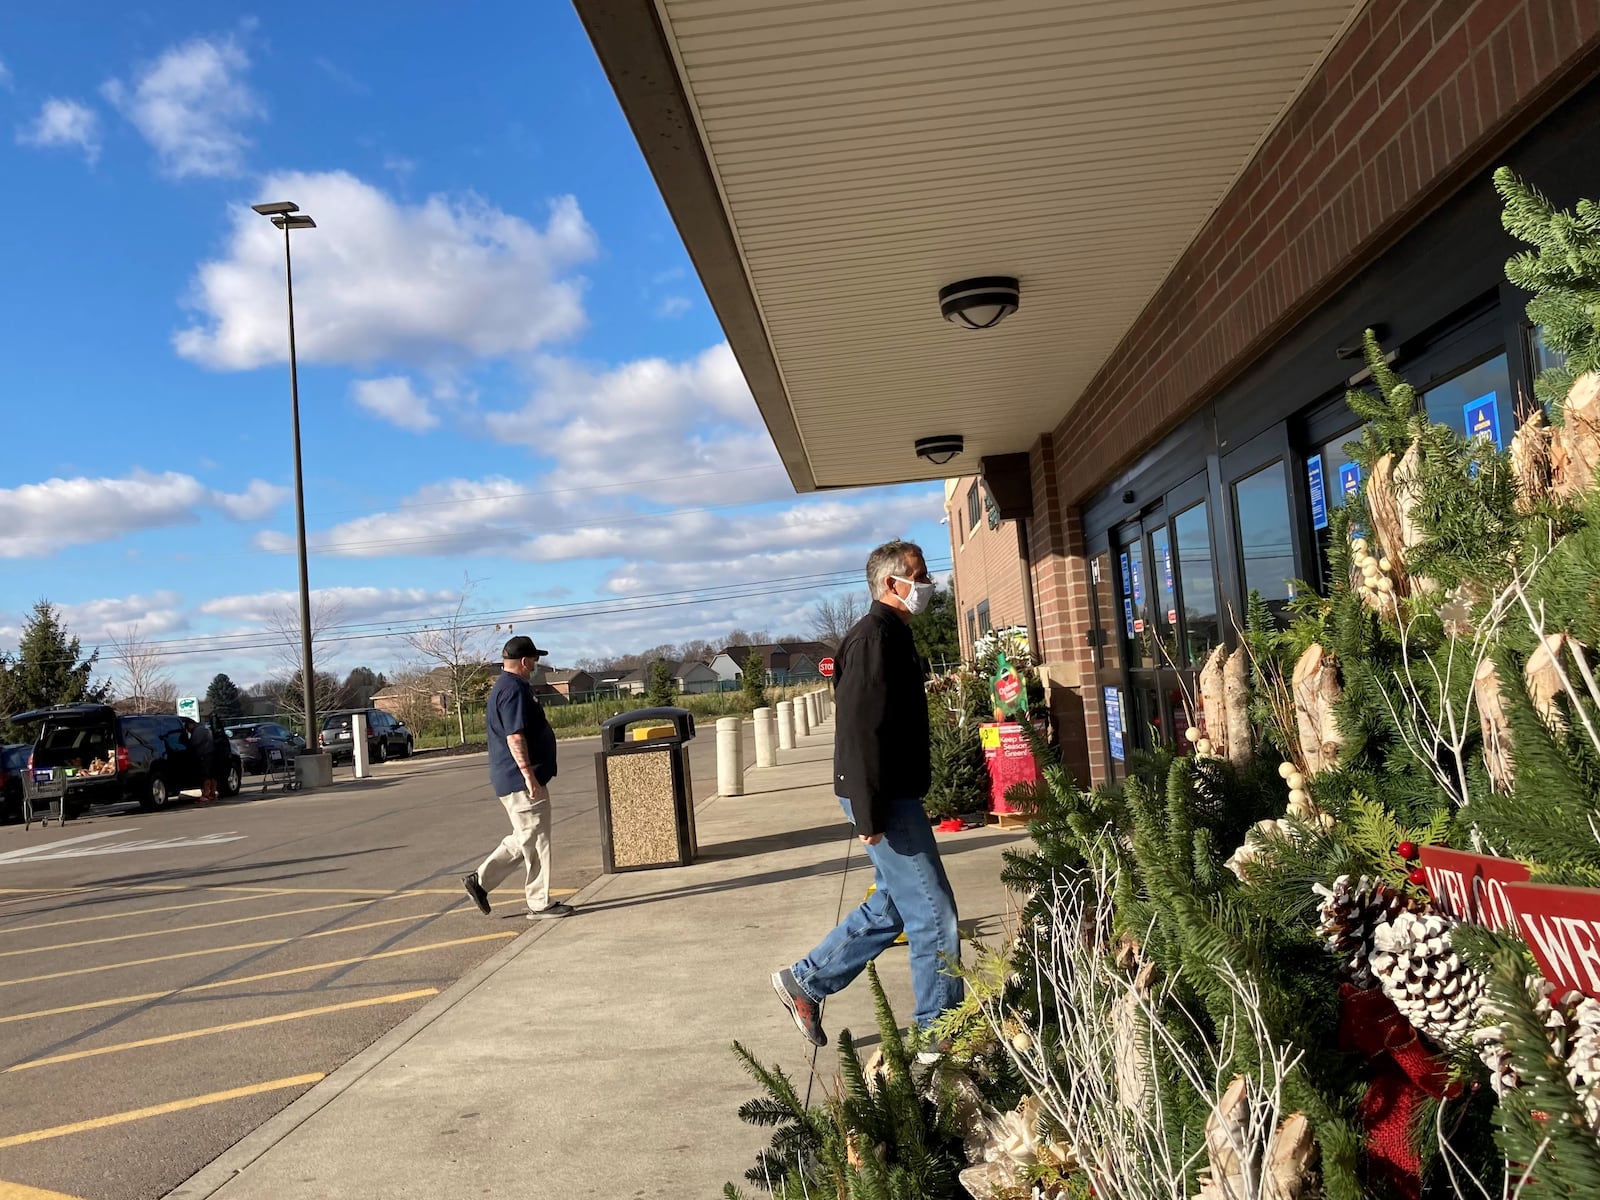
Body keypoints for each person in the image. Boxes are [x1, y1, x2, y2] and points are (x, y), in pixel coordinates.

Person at [771, 539, 961, 1048]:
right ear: (889, 584)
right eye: (918, 577)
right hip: (883, 798)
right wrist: (868, 814)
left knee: (894, 907)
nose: (927, 586)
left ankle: (806, 981)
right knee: (934, 916)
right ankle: (938, 1038)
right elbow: (858, 732)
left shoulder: (893, 635)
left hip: (890, 792)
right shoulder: (873, 639)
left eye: (925, 576)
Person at [463, 635, 573, 920]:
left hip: (520, 778)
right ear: (524, 662)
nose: (536, 665)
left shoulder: (509, 687)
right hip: (520, 779)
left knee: (532, 837)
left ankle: (494, 885)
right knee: (533, 838)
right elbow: (514, 736)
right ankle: (525, 898)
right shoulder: (512, 690)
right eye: (535, 661)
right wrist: (529, 776)